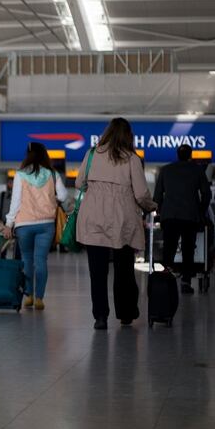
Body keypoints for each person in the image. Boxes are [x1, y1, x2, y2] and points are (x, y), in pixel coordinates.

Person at [76, 118, 157, 330]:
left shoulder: (91, 154)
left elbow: (79, 182)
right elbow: (141, 193)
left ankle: (100, 317)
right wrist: (151, 206)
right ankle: (126, 313)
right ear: (128, 136)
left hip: (93, 217)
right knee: (124, 269)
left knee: (97, 271)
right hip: (123, 220)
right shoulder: (132, 159)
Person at [2, 143, 68, 310]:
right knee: (41, 260)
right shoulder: (53, 174)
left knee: (26, 259)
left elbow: (15, 202)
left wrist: (9, 223)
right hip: (46, 224)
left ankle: (29, 296)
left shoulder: (20, 175)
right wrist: (51, 199)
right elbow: (63, 195)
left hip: (24, 225)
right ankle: (39, 298)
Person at [153, 144, 211, 294]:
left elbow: (157, 195)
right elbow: (206, 194)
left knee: (169, 249)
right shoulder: (197, 170)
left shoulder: (166, 170)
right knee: (188, 250)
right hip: (190, 216)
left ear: (177, 155)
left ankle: (166, 280)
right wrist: (201, 210)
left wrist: (160, 211)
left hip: (170, 216)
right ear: (190, 155)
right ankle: (186, 282)